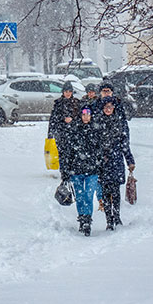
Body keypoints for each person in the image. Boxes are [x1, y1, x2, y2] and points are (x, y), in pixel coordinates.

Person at [96, 96, 135, 230]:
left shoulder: (119, 122)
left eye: (110, 107)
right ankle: (108, 219)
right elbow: (94, 142)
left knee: (116, 191)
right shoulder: (98, 121)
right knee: (105, 192)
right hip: (102, 161)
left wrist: (129, 160)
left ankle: (117, 215)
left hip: (116, 159)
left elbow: (125, 144)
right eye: (106, 107)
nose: (108, 110)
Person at [69, 106, 103, 236]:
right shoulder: (74, 130)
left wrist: (99, 165)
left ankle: (87, 219)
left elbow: (100, 150)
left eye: (88, 114)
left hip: (92, 169)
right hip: (76, 170)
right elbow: (69, 150)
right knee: (80, 196)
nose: (86, 117)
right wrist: (66, 169)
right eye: (83, 114)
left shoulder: (96, 130)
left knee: (89, 196)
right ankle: (82, 218)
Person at [48, 81, 80, 181]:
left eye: (70, 91)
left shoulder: (76, 103)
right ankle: (64, 174)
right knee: (62, 154)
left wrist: (73, 120)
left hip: (73, 133)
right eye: (66, 91)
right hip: (61, 133)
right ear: (63, 92)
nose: (68, 93)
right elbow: (53, 119)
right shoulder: (58, 103)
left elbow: (80, 117)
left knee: (73, 154)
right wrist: (50, 134)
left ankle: (72, 173)